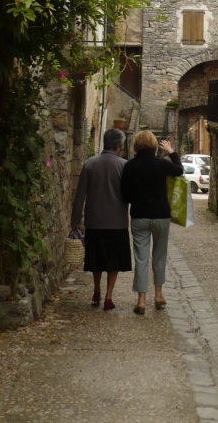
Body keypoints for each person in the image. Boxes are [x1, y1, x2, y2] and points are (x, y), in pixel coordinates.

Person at [120, 130, 184, 315]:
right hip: (161, 215)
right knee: (159, 255)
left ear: (136, 145)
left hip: (139, 215)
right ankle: (158, 295)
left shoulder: (130, 166)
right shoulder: (162, 164)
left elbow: (125, 195)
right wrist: (171, 152)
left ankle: (141, 300)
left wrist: (138, 200)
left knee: (141, 257)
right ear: (154, 145)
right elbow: (179, 170)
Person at [70, 127, 131, 311]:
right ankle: (108, 296)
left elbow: (79, 195)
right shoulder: (124, 166)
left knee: (96, 258)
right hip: (117, 222)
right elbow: (128, 194)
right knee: (113, 261)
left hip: (94, 221)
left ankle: (96, 289)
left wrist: (75, 221)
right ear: (119, 146)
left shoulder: (89, 164)